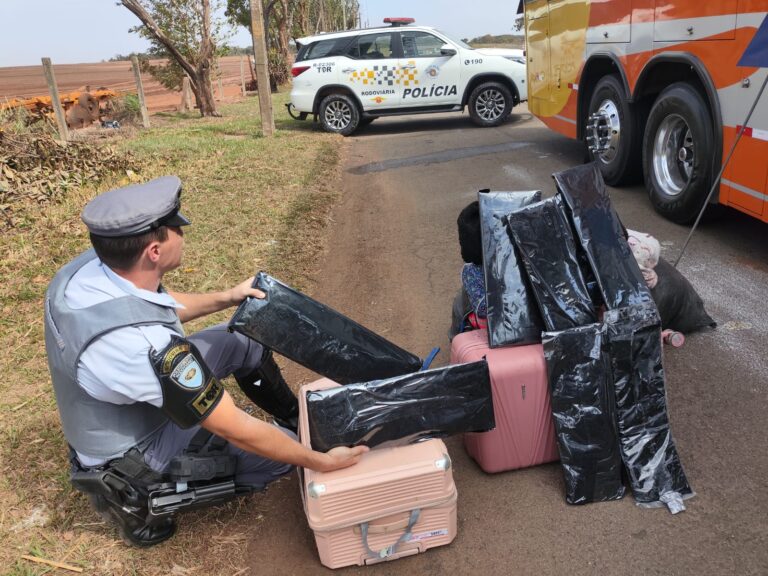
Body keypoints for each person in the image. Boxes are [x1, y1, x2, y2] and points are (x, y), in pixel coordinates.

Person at [44, 176, 367, 546]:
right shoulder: (146, 348)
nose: (183, 231)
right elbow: (233, 426)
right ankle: (135, 504)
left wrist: (229, 297)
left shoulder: (88, 270)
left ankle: (293, 417)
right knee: (282, 454)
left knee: (243, 337)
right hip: (132, 451)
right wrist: (319, 460)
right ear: (154, 251)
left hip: (132, 396)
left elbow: (149, 305)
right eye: (176, 228)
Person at [449, 200, 487, 339]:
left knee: (461, 299)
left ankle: (456, 336)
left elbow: (482, 310)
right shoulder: (515, 260)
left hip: (486, 326)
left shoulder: (471, 271)